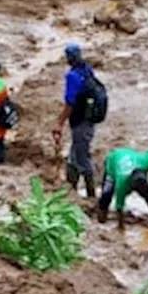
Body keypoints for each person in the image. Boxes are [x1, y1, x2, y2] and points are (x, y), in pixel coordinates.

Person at [53, 43, 99, 197]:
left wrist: (59, 123)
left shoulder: (72, 76)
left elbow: (70, 103)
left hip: (80, 121)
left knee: (81, 156)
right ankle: (71, 190)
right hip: (89, 119)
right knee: (75, 155)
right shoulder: (87, 70)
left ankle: (91, 194)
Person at [97, 148, 148, 229]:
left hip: (129, 155)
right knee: (106, 195)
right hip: (113, 162)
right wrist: (121, 228)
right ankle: (101, 220)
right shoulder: (121, 182)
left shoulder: (146, 163)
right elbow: (119, 207)